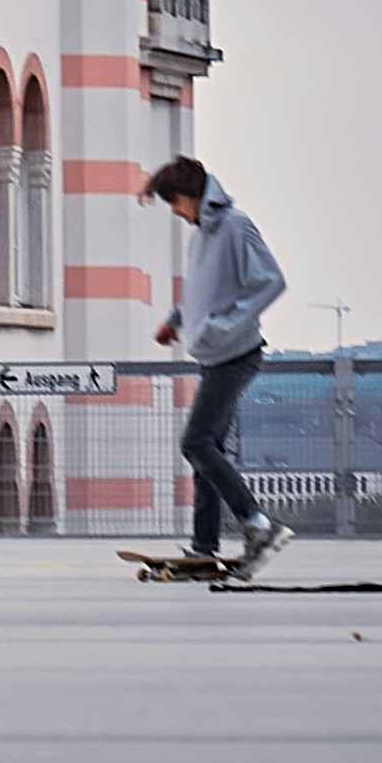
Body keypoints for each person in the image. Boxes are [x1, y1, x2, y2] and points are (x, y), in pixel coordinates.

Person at [144, 155, 291, 572]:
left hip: (236, 355)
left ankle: (259, 524)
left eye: (174, 202)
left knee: (195, 443)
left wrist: (225, 326)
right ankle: (204, 545)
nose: (174, 211)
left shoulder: (234, 225)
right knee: (207, 450)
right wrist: (176, 320)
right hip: (215, 357)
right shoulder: (202, 236)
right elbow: (201, 294)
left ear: (191, 196)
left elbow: (271, 280)